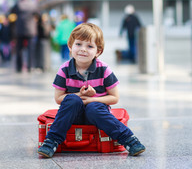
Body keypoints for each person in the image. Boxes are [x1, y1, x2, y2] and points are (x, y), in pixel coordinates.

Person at [38, 23, 145, 158]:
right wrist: (79, 95)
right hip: (72, 116)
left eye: (89, 46)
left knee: (94, 107)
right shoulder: (64, 69)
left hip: (96, 115)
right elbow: (58, 98)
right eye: (78, 44)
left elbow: (114, 97)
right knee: (72, 100)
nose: (83, 49)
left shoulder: (104, 69)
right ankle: (51, 141)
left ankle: (129, 139)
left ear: (98, 51)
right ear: (70, 46)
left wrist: (93, 99)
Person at [10, 0, 39, 72]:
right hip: (31, 30)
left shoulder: (18, 3)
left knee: (19, 49)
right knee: (31, 49)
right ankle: (29, 67)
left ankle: (19, 67)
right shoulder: (33, 4)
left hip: (19, 30)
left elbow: (11, 12)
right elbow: (38, 14)